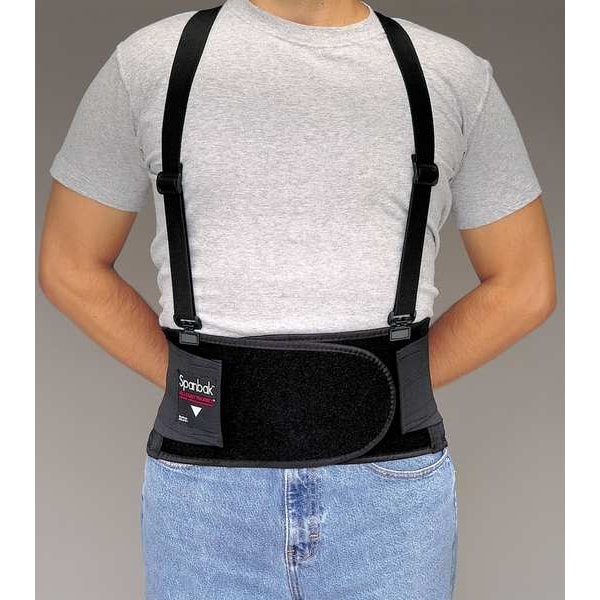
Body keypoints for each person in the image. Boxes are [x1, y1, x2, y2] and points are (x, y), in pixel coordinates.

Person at [39, 1, 556, 598]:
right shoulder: (152, 63)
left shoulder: (450, 74)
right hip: (206, 503)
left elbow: (525, 285)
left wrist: (386, 389)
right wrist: (201, 385)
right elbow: (69, 265)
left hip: (389, 506)